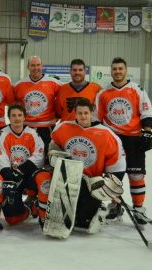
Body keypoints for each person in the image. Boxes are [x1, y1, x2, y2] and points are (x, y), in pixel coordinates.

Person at [35, 98, 126, 234]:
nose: (83, 116)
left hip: (91, 185)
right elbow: (53, 148)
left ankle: (98, 208)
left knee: (83, 225)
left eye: (85, 113)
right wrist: (53, 156)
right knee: (65, 221)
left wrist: (107, 184)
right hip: (66, 182)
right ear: (75, 114)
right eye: (80, 113)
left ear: (91, 113)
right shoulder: (63, 127)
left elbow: (117, 164)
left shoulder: (107, 135)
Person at [94, 57, 152, 224]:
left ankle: (139, 209)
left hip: (134, 140)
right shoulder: (103, 93)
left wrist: (148, 132)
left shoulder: (137, 89)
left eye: (120, 68)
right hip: (113, 141)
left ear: (126, 70)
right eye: (114, 69)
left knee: (136, 175)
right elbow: (96, 120)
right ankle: (115, 206)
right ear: (111, 71)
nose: (117, 72)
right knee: (114, 177)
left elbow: (146, 112)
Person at [0, 104, 44, 225]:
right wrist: (9, 178)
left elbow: (39, 156)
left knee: (42, 179)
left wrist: (22, 170)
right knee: (12, 220)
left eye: (19, 115)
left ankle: (35, 201)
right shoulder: (2, 134)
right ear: (9, 118)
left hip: (28, 174)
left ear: (24, 117)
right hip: (12, 177)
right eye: (13, 115)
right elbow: (2, 158)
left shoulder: (33, 134)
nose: (17, 118)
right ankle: (28, 207)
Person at [13, 56, 62, 160]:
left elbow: (65, 96)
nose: (36, 68)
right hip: (27, 127)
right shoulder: (19, 85)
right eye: (33, 65)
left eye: (38, 65)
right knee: (27, 157)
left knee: (49, 159)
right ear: (28, 67)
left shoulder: (54, 83)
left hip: (47, 127)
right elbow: (14, 106)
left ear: (42, 66)